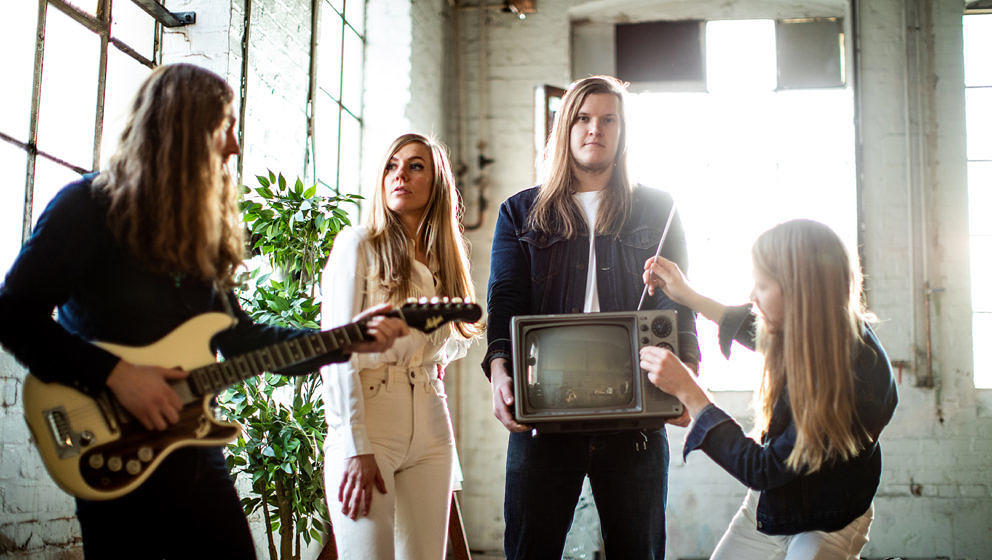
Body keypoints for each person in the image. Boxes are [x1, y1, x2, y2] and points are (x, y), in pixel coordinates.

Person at [0, 63, 408, 559]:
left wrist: (345, 338)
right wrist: (117, 375)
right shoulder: (86, 207)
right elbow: (13, 315)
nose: (234, 145)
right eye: (225, 126)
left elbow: (243, 341)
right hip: (111, 450)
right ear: (182, 130)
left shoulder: (201, 234)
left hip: (192, 448)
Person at [484, 75, 700, 559]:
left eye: (608, 120)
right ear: (565, 127)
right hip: (544, 415)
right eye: (582, 118)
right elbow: (505, 300)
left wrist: (689, 374)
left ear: (623, 132)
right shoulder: (519, 212)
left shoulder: (658, 209)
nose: (594, 129)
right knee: (529, 550)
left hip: (635, 419)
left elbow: (677, 302)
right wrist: (499, 373)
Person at [640, 219, 898, 560]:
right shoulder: (819, 323)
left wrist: (691, 393)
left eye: (761, 285)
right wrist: (689, 296)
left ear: (800, 292)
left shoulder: (853, 378)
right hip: (774, 504)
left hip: (830, 518)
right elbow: (759, 329)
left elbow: (762, 468)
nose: (751, 296)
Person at [319, 133, 481, 559]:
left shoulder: (444, 260)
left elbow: (456, 340)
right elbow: (334, 356)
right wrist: (355, 445)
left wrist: (429, 361)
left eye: (415, 166)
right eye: (392, 165)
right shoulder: (358, 245)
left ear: (437, 182)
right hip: (371, 420)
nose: (400, 175)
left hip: (431, 421)